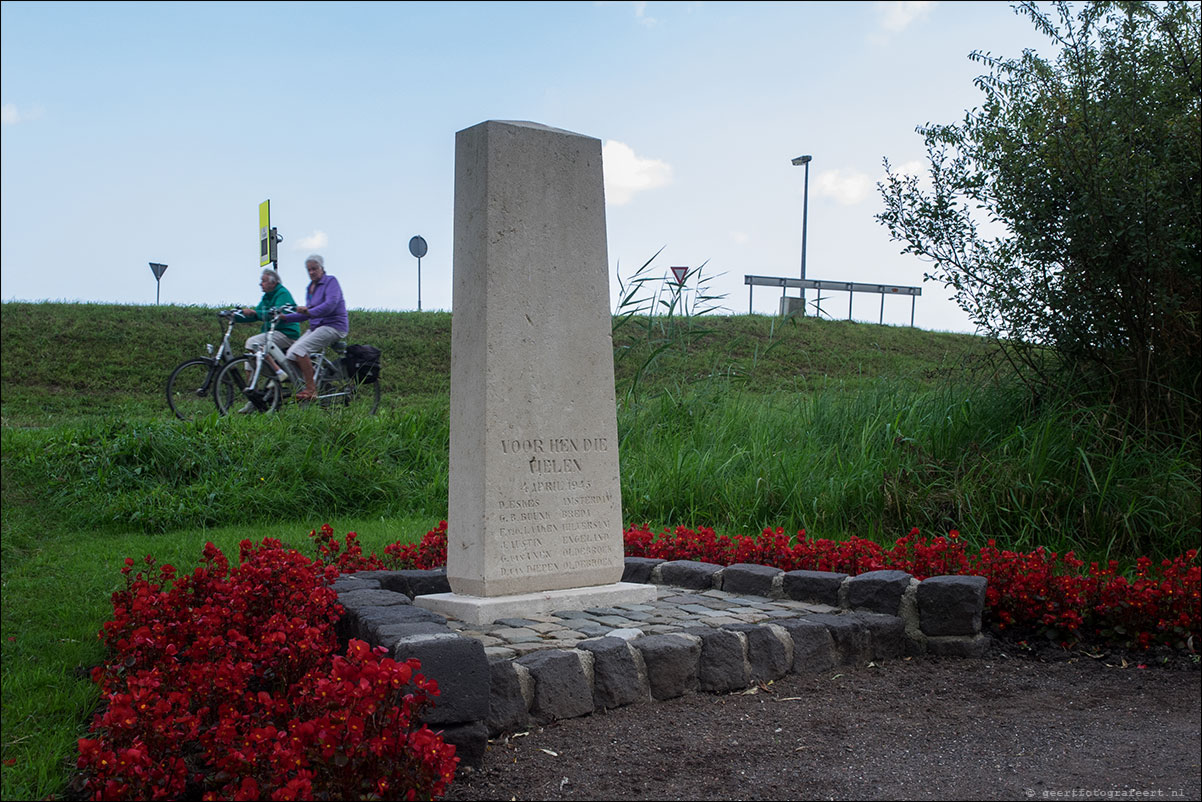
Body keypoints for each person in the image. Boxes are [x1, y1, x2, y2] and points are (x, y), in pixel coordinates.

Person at [280, 254, 349, 401]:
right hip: (317, 327)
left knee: (300, 349)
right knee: (290, 355)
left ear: (322, 268)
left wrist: (309, 312)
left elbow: (330, 305)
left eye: (314, 269)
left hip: (333, 325)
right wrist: (285, 318)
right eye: (309, 270)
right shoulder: (310, 288)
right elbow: (307, 314)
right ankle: (310, 380)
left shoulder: (331, 282)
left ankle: (311, 390)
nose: (311, 272)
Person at [233, 268, 302, 412]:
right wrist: (235, 316)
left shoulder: (282, 293)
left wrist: (256, 313)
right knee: (249, 361)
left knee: (252, 343)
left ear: (274, 282)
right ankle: (254, 398)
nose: (260, 284)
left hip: (286, 333)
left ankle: (277, 372)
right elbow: (256, 315)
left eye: (263, 281)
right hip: (271, 333)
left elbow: (276, 312)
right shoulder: (266, 297)